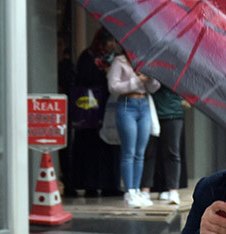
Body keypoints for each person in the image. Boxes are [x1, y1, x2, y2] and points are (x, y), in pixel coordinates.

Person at [107, 43, 160, 208]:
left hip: (143, 105)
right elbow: (113, 86)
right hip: (127, 104)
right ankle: (129, 191)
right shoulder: (119, 61)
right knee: (129, 151)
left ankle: (137, 190)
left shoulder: (144, 62)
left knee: (140, 152)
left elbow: (155, 87)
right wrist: (136, 80)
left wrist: (149, 78)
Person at [68, 28, 118, 197]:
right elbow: (84, 80)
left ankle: (107, 184)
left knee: (106, 147)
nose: (111, 48)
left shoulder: (112, 59)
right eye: (109, 44)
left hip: (105, 110)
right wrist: (102, 73)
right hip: (89, 112)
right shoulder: (87, 57)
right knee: (89, 149)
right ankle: (90, 184)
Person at [142, 88, 186, 205]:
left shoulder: (176, 72)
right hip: (150, 111)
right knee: (149, 152)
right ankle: (145, 190)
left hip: (173, 113)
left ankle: (173, 190)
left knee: (172, 152)